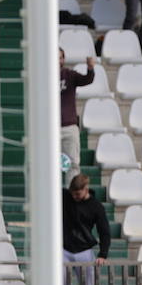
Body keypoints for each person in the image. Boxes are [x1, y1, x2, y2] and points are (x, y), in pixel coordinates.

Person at [62, 174, 109, 285]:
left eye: (77, 194)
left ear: (86, 189)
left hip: (84, 251)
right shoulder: (65, 197)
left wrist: (103, 254)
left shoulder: (96, 206)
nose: (74, 197)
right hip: (64, 250)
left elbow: (104, 231)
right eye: (72, 194)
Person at [58, 49, 95, 185]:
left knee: (72, 164)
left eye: (60, 57)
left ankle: (70, 195)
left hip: (69, 127)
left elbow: (87, 80)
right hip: (49, 128)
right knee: (48, 163)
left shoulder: (70, 75)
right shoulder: (43, 77)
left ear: (63, 60)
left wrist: (90, 69)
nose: (57, 60)